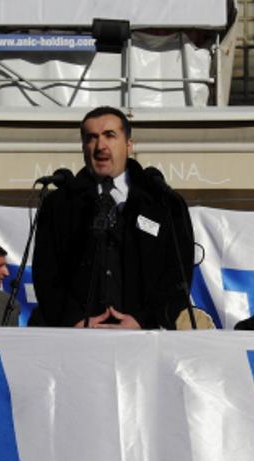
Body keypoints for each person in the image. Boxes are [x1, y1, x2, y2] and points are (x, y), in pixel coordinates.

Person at [32, 106, 195, 329]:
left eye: (110, 135)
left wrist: (143, 320)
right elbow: (46, 274)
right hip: (76, 339)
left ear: (129, 144)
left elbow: (177, 275)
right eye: (91, 138)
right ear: (83, 147)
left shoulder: (163, 203)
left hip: (143, 338)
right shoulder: (59, 204)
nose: (100, 146)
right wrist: (75, 321)